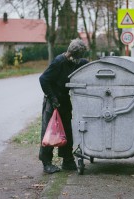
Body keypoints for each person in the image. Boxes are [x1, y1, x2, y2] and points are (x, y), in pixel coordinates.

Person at [39, 38, 88, 174]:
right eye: (78, 57)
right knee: (49, 132)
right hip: (52, 101)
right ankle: (46, 163)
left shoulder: (77, 62)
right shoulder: (59, 62)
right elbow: (43, 79)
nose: (80, 60)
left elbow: (86, 66)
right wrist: (52, 98)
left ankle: (67, 160)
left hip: (65, 100)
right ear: (71, 53)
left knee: (67, 131)